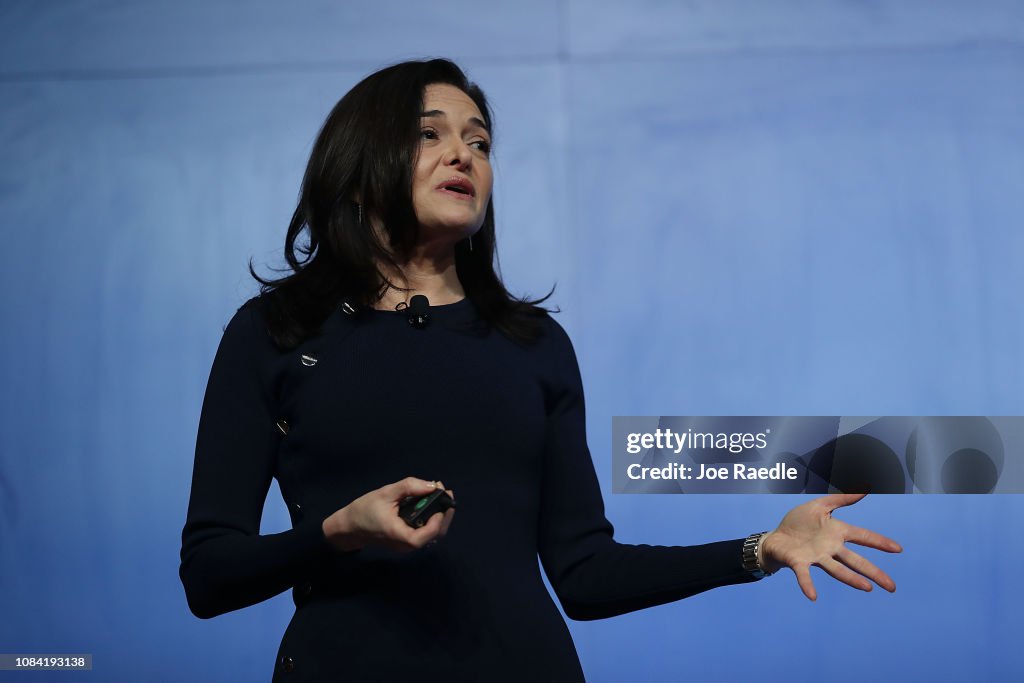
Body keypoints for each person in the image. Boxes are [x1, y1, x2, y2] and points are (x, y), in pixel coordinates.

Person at [178, 58, 902, 682]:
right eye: (429, 134)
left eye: (479, 142)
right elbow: (210, 574)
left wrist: (762, 548)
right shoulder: (274, 333)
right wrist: (336, 532)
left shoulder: (531, 343)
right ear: (360, 168)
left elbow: (585, 572)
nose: (462, 155)